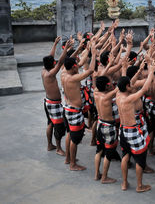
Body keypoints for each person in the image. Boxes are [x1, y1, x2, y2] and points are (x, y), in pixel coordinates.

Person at [117, 61, 155, 192]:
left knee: (125, 156)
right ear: (127, 86)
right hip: (132, 130)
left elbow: (126, 81)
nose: (132, 85)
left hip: (123, 130)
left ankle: (124, 183)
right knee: (140, 159)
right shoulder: (129, 99)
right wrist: (151, 71)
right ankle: (139, 186)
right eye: (130, 85)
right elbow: (144, 89)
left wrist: (125, 70)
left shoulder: (118, 94)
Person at [61, 42, 97, 171]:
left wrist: (83, 50)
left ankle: (68, 159)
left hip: (67, 108)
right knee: (75, 140)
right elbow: (91, 70)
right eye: (77, 65)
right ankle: (72, 164)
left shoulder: (63, 73)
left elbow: (76, 62)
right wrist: (93, 54)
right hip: (74, 112)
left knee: (70, 134)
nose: (79, 66)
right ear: (74, 67)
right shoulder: (73, 78)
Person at [42, 37, 71, 155]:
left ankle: (50, 145)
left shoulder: (44, 69)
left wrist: (55, 44)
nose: (55, 62)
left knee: (50, 123)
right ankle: (58, 148)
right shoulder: (50, 74)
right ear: (52, 65)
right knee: (58, 126)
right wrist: (66, 49)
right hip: (54, 104)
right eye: (53, 62)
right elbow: (60, 62)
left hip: (48, 101)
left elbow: (51, 57)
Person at [93, 76, 121, 184]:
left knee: (99, 150)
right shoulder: (108, 96)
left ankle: (96, 174)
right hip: (108, 126)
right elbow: (118, 88)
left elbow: (100, 82)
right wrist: (123, 69)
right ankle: (104, 177)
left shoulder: (96, 92)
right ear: (107, 85)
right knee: (108, 153)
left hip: (100, 124)